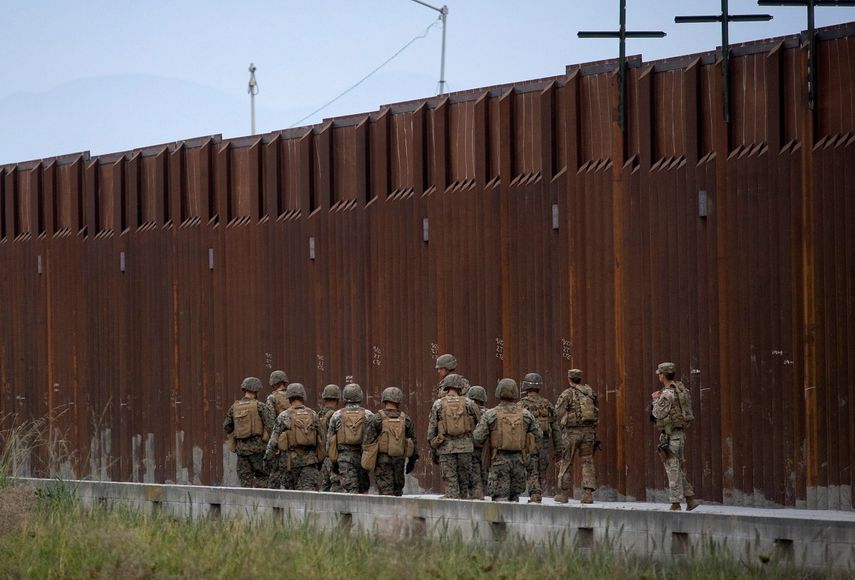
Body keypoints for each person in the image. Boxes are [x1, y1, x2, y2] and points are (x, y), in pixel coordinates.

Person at [472, 378, 542, 502]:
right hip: (519, 462)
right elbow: (539, 434)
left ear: (499, 392)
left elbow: (477, 437)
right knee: (514, 499)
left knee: (500, 499)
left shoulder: (491, 414)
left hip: (498, 461)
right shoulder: (526, 414)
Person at [651, 362, 698, 511]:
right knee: (677, 468)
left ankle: (675, 503)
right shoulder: (681, 390)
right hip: (679, 433)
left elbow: (658, 413)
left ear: (663, 375)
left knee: (673, 469)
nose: (658, 375)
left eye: (659, 373)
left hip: (671, 435)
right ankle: (690, 499)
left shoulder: (667, 393)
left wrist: (655, 399)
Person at [427, 373, 480, 498]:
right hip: (466, 448)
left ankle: (452, 513)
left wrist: (434, 448)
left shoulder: (438, 404)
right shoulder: (469, 403)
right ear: (460, 387)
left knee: (451, 482)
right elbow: (480, 424)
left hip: (446, 448)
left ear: (446, 387)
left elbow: (431, 431)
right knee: (464, 482)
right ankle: (464, 511)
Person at [264, 383, 324, 490]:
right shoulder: (313, 414)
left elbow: (273, 442)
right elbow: (322, 440)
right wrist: (320, 462)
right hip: (310, 463)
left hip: (289, 464)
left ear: (289, 398)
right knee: (308, 494)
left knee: (290, 497)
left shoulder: (283, 416)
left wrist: (267, 461)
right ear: (303, 396)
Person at [362, 386, 418, 496]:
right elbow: (413, 442)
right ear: (399, 401)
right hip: (399, 461)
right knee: (397, 492)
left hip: (382, 462)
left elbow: (368, 443)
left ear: (384, 400)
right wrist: (412, 461)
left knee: (385, 494)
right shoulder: (405, 419)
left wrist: (366, 464)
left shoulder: (377, 418)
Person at [554, 369, 599, 504]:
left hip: (572, 432)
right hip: (588, 432)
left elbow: (558, 412)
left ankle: (563, 494)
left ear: (569, 379)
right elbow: (596, 411)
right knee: (587, 461)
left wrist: (562, 425)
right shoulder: (590, 393)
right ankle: (588, 494)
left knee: (566, 461)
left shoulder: (567, 393)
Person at [222, 377, 275, 487]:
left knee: (245, 480)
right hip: (259, 450)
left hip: (242, 451)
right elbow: (270, 426)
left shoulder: (234, 407)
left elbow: (227, 426)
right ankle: (261, 503)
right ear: (256, 391)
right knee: (263, 477)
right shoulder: (260, 406)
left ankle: (247, 504)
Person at [518, 372, 561, 503]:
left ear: (525, 386)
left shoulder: (521, 405)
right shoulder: (547, 404)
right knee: (541, 467)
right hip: (544, 442)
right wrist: (559, 448)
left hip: (529, 442)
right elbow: (556, 428)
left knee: (531, 468)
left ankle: (535, 494)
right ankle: (537, 493)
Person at [327, 383, 374, 494]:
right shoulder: (368, 415)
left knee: (351, 490)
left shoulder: (337, 415)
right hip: (363, 458)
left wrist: (333, 462)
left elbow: (330, 440)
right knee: (363, 490)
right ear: (360, 396)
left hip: (344, 458)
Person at [265, 370, 290, 489]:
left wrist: (273, 444)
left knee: (275, 474)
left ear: (274, 384)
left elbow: (270, 422)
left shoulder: (272, 398)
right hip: (295, 440)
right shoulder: (293, 395)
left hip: (280, 441)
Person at [318, 384, 342, 492]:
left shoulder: (319, 414)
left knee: (324, 486)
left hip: (322, 456)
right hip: (333, 456)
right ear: (337, 399)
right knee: (336, 486)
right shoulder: (336, 415)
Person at [467, 385, 488, 500]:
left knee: (474, 474)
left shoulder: (467, 411)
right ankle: (482, 495)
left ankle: (476, 495)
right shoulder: (489, 412)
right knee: (484, 472)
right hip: (485, 449)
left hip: (471, 448)